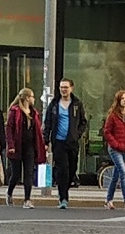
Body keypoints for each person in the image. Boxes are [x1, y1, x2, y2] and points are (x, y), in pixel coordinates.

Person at [44, 79, 83, 208]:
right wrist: (46, 141)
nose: (63, 90)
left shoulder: (76, 104)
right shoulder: (54, 104)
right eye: (61, 87)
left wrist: (77, 134)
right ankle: (63, 198)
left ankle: (65, 190)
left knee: (72, 169)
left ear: (71, 88)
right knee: (63, 170)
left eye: (66, 87)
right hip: (58, 142)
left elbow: (83, 122)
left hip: (72, 142)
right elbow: (48, 123)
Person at [4, 86, 43, 205]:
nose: (34, 99)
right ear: (27, 98)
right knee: (16, 174)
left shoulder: (34, 112)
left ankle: (27, 199)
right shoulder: (15, 111)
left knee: (29, 173)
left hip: (30, 146)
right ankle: (9, 192)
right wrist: (11, 145)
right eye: (32, 97)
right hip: (17, 146)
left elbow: (37, 130)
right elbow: (9, 128)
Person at [102, 90, 125, 207]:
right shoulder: (112, 116)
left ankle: (108, 199)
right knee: (123, 172)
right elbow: (107, 132)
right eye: (122, 98)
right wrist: (115, 144)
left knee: (116, 175)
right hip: (115, 149)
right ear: (118, 100)